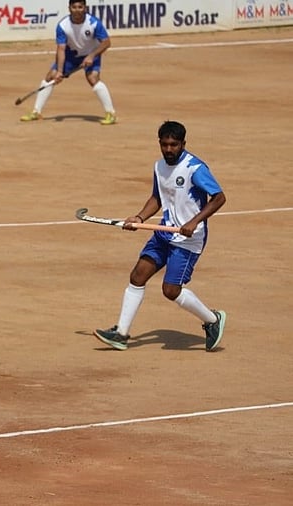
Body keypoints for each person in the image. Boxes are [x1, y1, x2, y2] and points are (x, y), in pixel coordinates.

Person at [94, 121, 227, 351]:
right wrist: (139, 218)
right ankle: (122, 334)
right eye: (164, 145)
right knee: (138, 275)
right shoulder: (159, 167)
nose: (168, 149)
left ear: (183, 144)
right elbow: (157, 197)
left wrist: (193, 221)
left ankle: (213, 320)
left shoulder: (194, 168)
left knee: (170, 291)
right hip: (164, 233)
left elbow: (219, 197)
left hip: (188, 239)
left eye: (174, 145)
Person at [19, 0, 117, 125]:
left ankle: (111, 113)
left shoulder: (93, 23)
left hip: (91, 53)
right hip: (71, 56)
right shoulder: (63, 25)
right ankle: (36, 112)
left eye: (80, 7)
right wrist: (60, 71)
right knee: (51, 76)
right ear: (69, 8)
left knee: (93, 78)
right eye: (74, 7)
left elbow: (106, 42)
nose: (77, 10)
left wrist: (91, 56)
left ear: (85, 8)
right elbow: (61, 49)